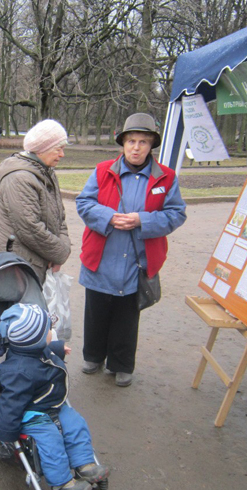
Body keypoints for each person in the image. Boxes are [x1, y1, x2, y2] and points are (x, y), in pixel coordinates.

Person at [76, 113, 187, 387]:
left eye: (143, 142)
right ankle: (93, 356)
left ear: (151, 146)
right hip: (101, 258)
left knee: (127, 315)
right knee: (96, 310)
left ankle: (121, 364)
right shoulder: (102, 170)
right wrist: (108, 217)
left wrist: (142, 220)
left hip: (136, 262)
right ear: (123, 143)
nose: (136, 147)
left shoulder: (166, 177)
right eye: (131, 141)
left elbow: (176, 214)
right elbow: (84, 203)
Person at [0, 303, 109, 490]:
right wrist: (7, 431)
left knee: (76, 423)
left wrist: (58, 348)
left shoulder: (32, 349)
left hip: (51, 403)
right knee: (51, 441)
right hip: (32, 414)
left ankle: (84, 462)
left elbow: (44, 350)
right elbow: (11, 404)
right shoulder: (18, 372)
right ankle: (61, 482)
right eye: (49, 330)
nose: (52, 332)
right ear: (36, 340)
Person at [0, 119, 70, 285]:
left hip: (37, 262)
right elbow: (30, 228)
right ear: (42, 149)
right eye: (58, 149)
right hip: (17, 269)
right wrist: (61, 253)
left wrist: (58, 251)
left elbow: (59, 217)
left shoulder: (46, 172)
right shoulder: (19, 178)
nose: (62, 154)